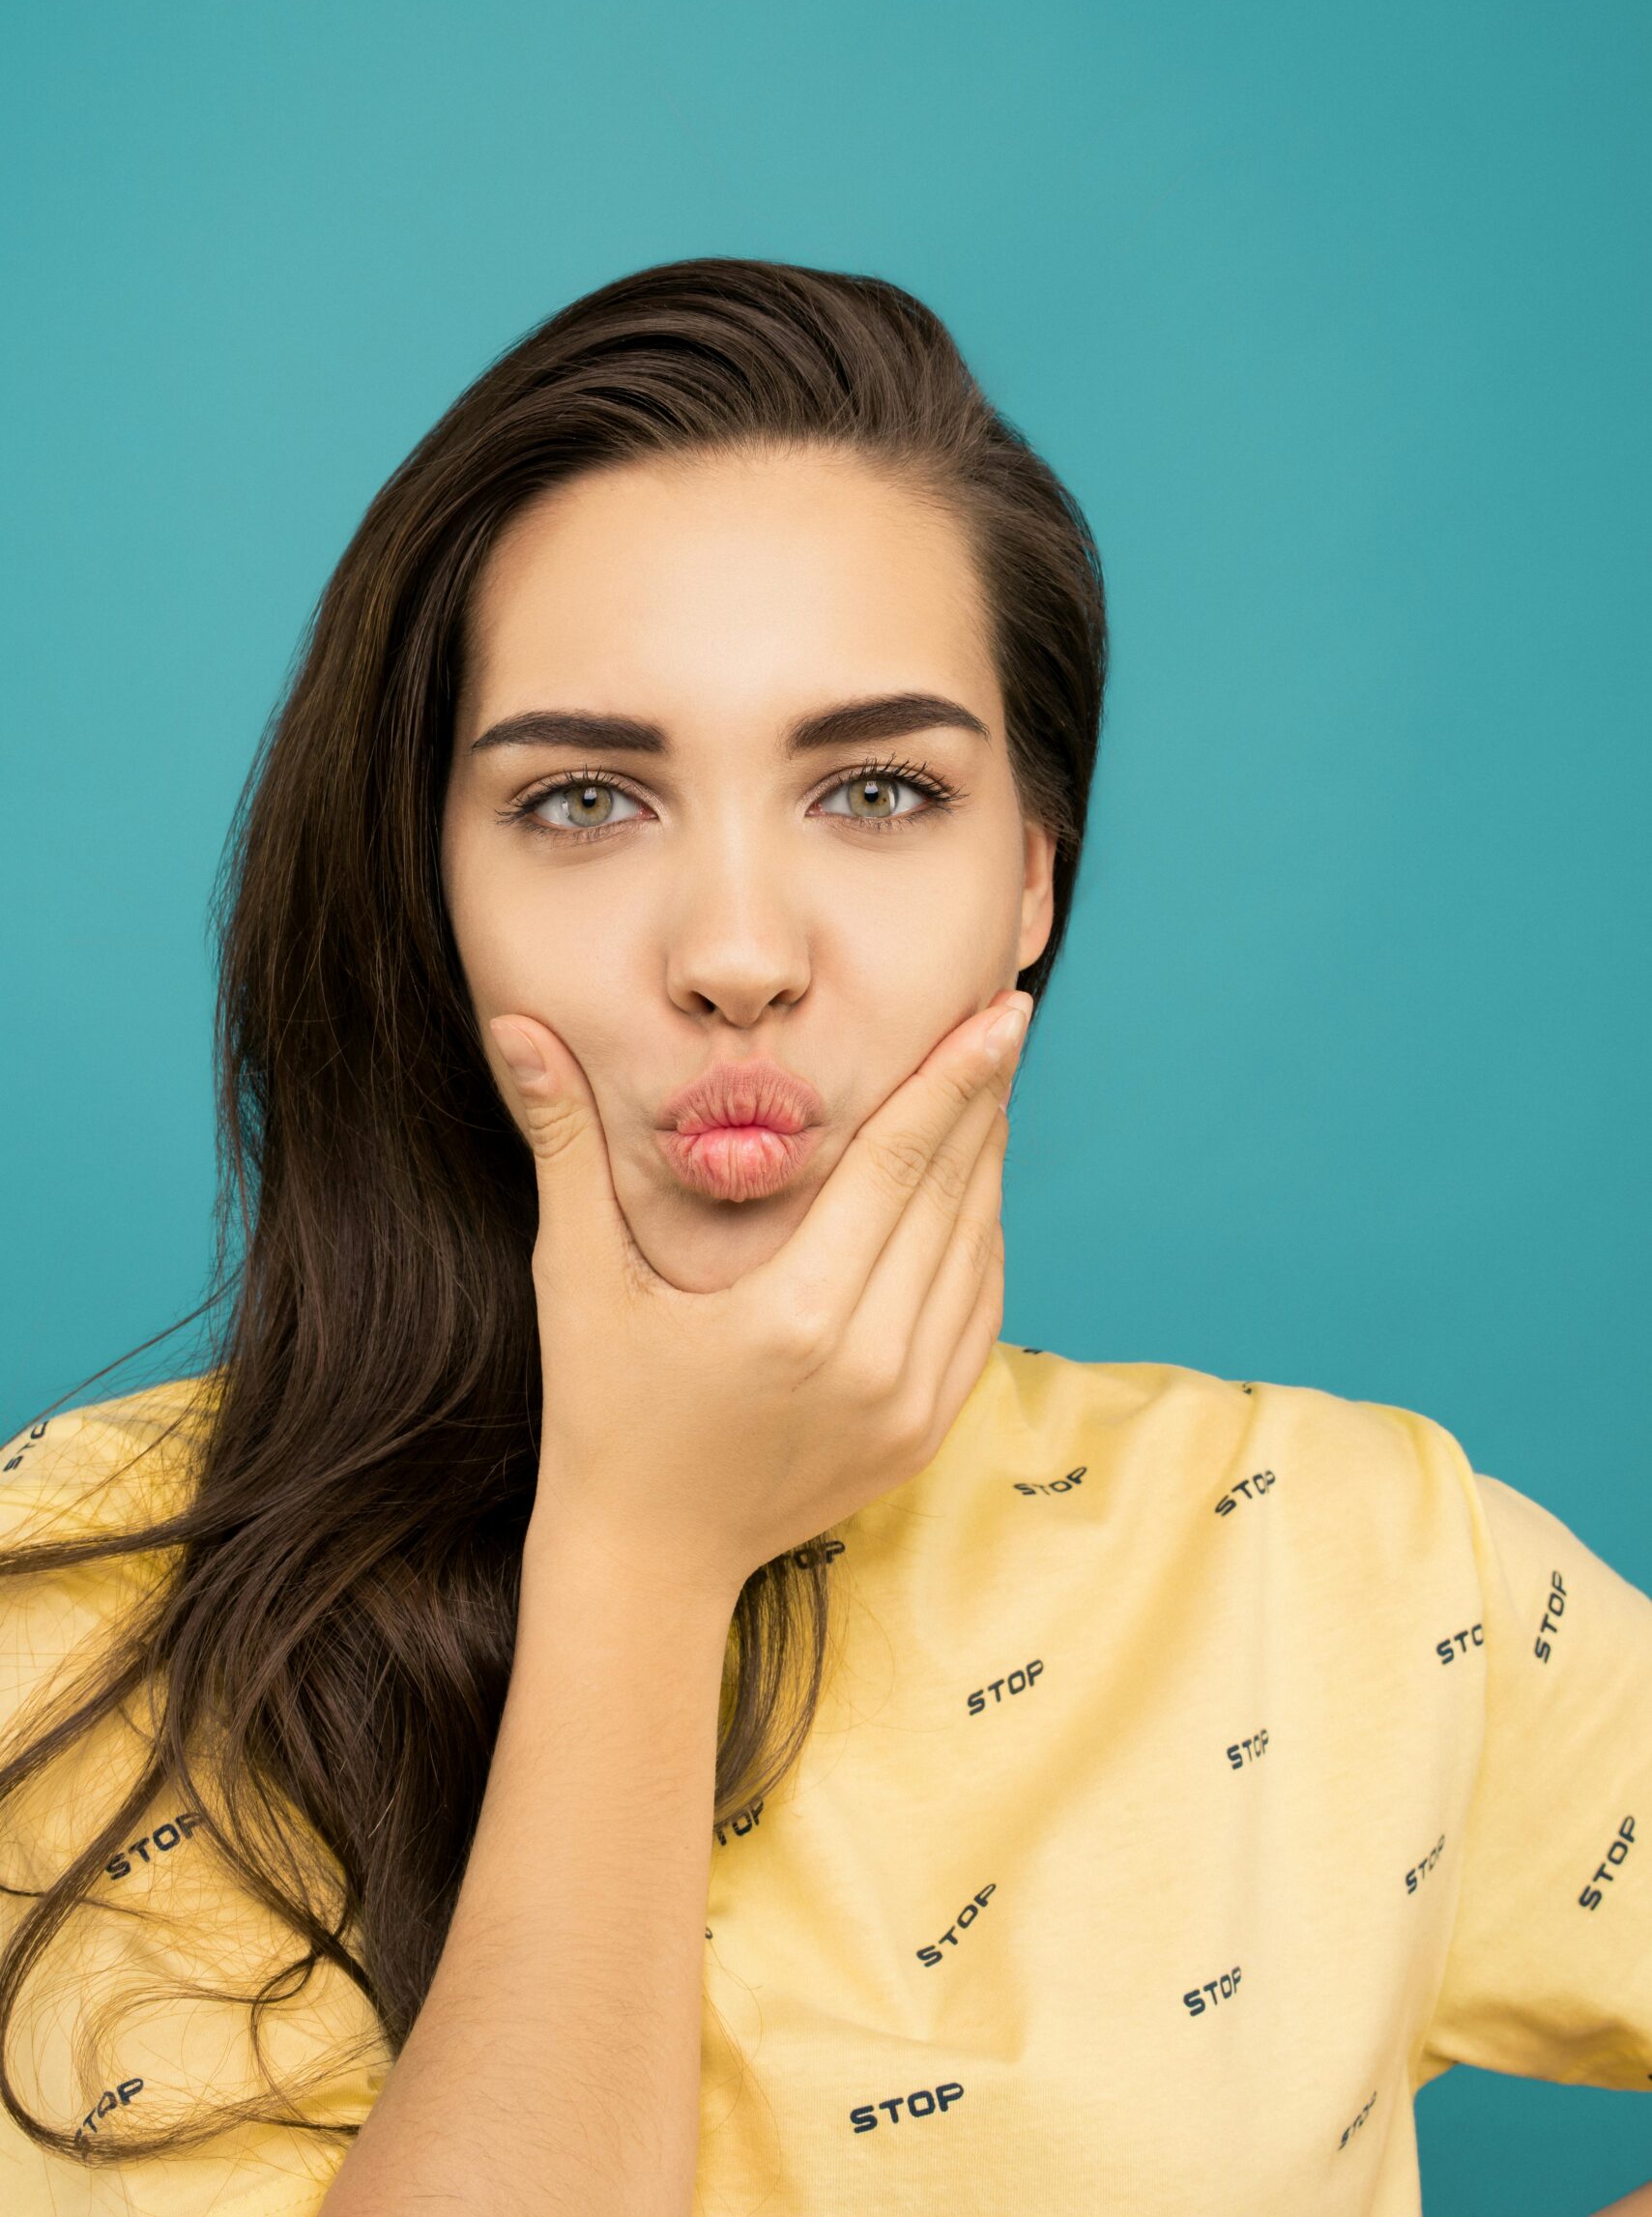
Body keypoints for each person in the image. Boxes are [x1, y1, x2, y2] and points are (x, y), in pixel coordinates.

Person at [1, 257, 1647, 2217]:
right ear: (427, 878)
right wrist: (642, 1545)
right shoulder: (73, 1612)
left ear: (1031, 874)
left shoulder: (1357, 1557)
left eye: (877, 790)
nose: (737, 954)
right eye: (586, 798)